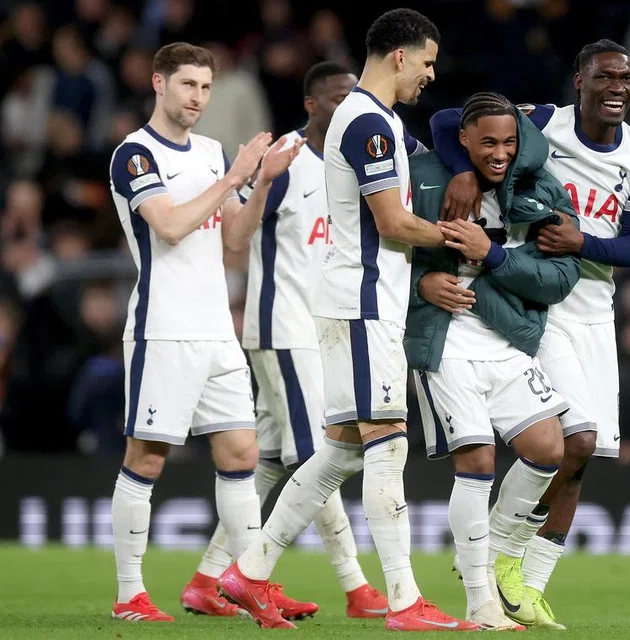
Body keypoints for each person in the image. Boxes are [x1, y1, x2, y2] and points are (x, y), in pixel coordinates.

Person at [217, 9, 477, 631]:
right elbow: (390, 222)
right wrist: (455, 238)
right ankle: (404, 601)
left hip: (363, 300)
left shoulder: (382, 120)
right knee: (387, 447)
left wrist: (463, 169)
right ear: (398, 57)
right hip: (360, 301)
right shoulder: (367, 124)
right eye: (427, 62)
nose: (431, 75)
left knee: (339, 452)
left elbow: (443, 132)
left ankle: (246, 573)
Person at [429, 39, 630, 629]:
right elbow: (449, 121)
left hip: (595, 311)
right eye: (605, 77)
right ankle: (499, 556)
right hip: (540, 304)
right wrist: (461, 169)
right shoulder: (541, 124)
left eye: (626, 79)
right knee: (574, 441)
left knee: (588, 456)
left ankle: (527, 583)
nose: (617, 88)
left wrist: (584, 242)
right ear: (579, 80)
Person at [180, 62, 389, 622]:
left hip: (321, 331)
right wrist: (263, 179)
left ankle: (207, 580)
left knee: (272, 459)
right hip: (284, 328)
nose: (348, 106)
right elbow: (236, 238)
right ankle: (356, 586)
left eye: (354, 98)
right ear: (312, 104)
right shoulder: (289, 161)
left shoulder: (351, 159)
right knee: (320, 457)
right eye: (338, 98)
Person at [108, 42, 303, 623]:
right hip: (162, 329)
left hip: (217, 327)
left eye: (206, 87)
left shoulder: (215, 153)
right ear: (158, 83)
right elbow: (168, 226)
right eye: (187, 84)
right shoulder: (135, 155)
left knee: (242, 452)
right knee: (145, 460)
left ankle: (247, 586)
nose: (197, 97)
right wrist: (233, 178)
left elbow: (234, 241)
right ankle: (128, 595)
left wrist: (261, 182)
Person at [407, 92, 580, 629]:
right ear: (462, 140)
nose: (501, 153)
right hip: (447, 340)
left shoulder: (540, 187)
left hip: (505, 339)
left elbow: (558, 278)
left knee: (549, 446)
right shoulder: (422, 175)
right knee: (477, 461)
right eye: (487, 142)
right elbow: (379, 253)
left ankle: (488, 551)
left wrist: (491, 254)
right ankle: (480, 600)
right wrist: (422, 284)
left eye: (510, 141)